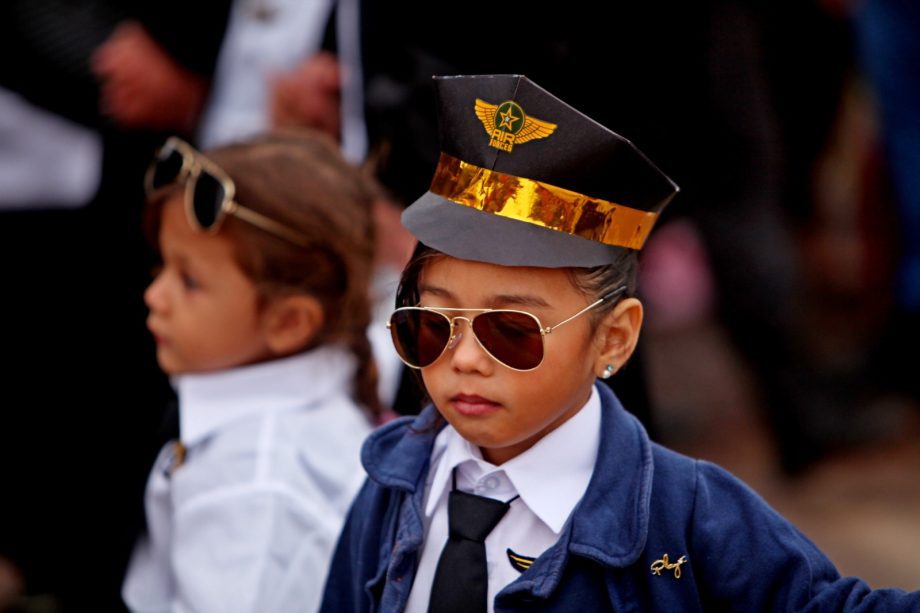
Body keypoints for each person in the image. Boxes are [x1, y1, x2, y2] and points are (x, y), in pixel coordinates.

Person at [319, 75, 920, 612]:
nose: (466, 360)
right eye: (430, 324)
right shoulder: (392, 477)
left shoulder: (691, 521)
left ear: (614, 337)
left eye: (512, 332)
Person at [121, 129, 380, 612]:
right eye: (163, 266)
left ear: (288, 322)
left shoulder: (257, 496)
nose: (154, 296)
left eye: (190, 280)